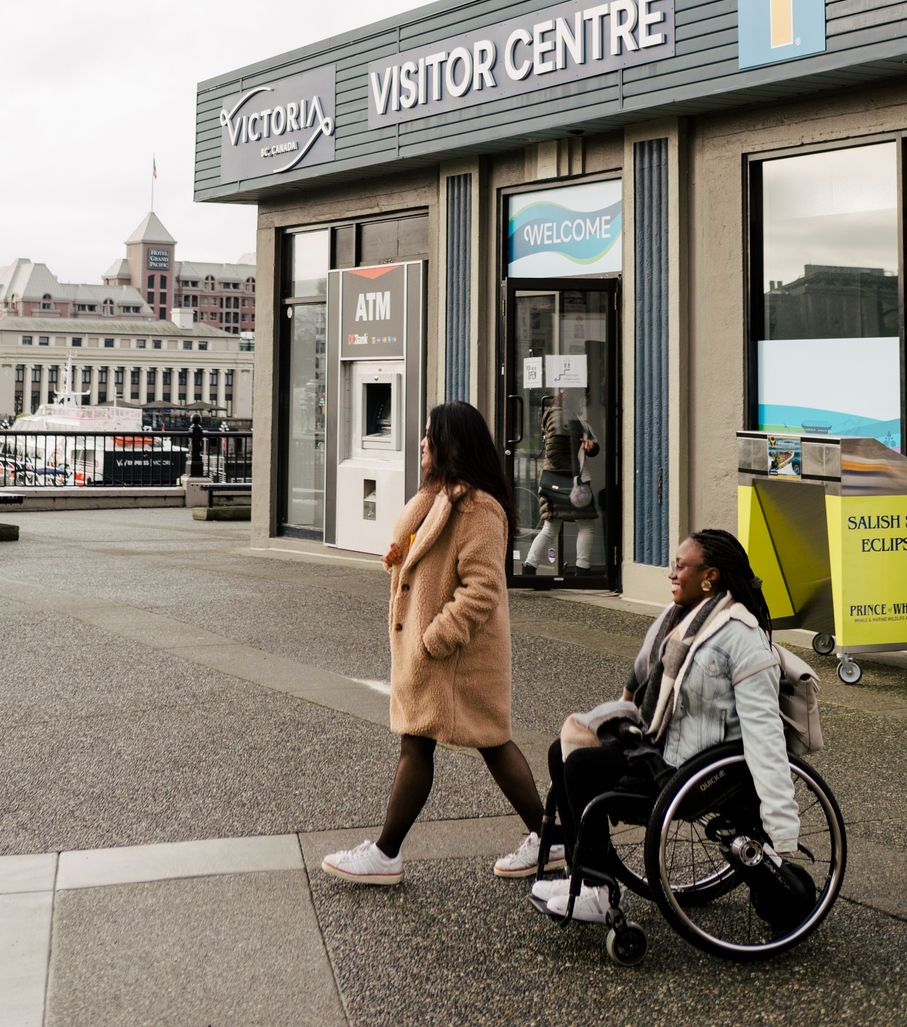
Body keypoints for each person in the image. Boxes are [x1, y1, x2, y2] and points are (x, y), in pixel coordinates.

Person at [322, 401, 564, 884]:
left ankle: (386, 854)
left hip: (454, 656)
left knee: (444, 742)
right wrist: (402, 553)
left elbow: (483, 588)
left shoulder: (479, 509)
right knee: (474, 742)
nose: (423, 443)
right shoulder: (439, 496)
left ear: (452, 444)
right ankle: (550, 839)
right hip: (439, 654)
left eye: (431, 435)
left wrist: (436, 639)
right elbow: (433, 557)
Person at [533, 528, 799, 920]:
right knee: (563, 750)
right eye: (671, 565)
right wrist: (619, 713)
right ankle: (583, 872)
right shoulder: (680, 619)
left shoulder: (742, 638)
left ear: (710, 576)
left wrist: (781, 828)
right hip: (663, 748)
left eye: (679, 566)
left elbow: (765, 736)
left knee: (582, 768)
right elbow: (641, 674)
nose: (671, 574)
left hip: (697, 772)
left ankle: (598, 890)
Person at [521, 387, 599, 576]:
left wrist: (590, 447)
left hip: (558, 480)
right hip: (569, 481)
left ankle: (529, 567)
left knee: (551, 526)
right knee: (585, 523)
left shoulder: (569, 416)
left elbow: (589, 448)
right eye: (582, 398)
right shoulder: (563, 417)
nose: (584, 403)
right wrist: (574, 476)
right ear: (573, 397)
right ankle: (582, 569)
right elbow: (555, 453)